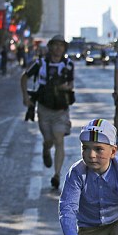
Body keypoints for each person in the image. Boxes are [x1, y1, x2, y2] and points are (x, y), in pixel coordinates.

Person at [21, 35, 75, 189]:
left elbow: (71, 83)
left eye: (61, 45)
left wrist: (67, 87)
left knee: (59, 139)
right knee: (49, 139)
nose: (58, 48)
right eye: (55, 45)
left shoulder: (68, 64)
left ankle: (57, 174)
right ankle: (46, 148)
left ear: (64, 48)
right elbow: (24, 77)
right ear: (50, 47)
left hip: (61, 109)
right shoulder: (40, 63)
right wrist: (26, 96)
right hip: (44, 108)